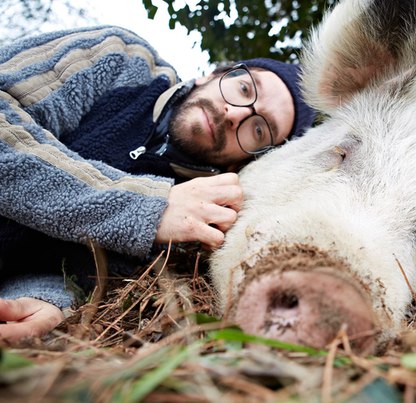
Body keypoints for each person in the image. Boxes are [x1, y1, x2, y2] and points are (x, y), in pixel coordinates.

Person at [0, 26, 316, 341]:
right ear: (213, 75)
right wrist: (147, 208)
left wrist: (47, 301)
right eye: (245, 89)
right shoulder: (121, 57)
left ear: (244, 162)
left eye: (259, 129)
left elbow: (67, 267)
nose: (234, 114)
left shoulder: (195, 225)